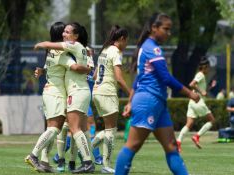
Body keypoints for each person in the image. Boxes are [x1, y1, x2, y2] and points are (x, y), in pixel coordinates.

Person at [114, 13, 200, 175]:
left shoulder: (149, 47)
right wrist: (190, 93)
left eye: (170, 30)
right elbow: (165, 77)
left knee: (171, 147)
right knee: (133, 145)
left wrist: (130, 101)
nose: (168, 33)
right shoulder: (151, 48)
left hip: (157, 103)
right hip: (149, 101)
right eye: (165, 29)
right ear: (154, 28)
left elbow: (138, 79)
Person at [24, 22, 90, 173]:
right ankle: (34, 156)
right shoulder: (62, 54)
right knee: (55, 128)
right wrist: (88, 69)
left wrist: (41, 70)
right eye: (64, 32)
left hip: (50, 91)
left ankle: (45, 162)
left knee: (53, 128)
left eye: (67, 32)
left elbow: (49, 67)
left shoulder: (53, 52)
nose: (64, 35)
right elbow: (75, 67)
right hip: (56, 93)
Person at [90, 25, 131, 174]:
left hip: (96, 91)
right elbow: (119, 79)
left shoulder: (105, 51)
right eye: (126, 41)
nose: (126, 44)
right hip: (107, 92)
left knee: (108, 129)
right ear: (121, 39)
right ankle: (106, 165)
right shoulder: (115, 52)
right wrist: (131, 93)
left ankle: (87, 149)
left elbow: (95, 76)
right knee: (111, 130)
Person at [177, 57, 216, 152]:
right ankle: (197, 136)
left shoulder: (201, 75)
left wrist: (210, 87)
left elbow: (202, 91)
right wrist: (201, 91)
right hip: (197, 101)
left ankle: (178, 143)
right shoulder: (200, 74)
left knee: (189, 124)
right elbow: (191, 84)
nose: (209, 69)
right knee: (212, 120)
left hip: (192, 102)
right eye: (208, 67)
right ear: (205, 67)